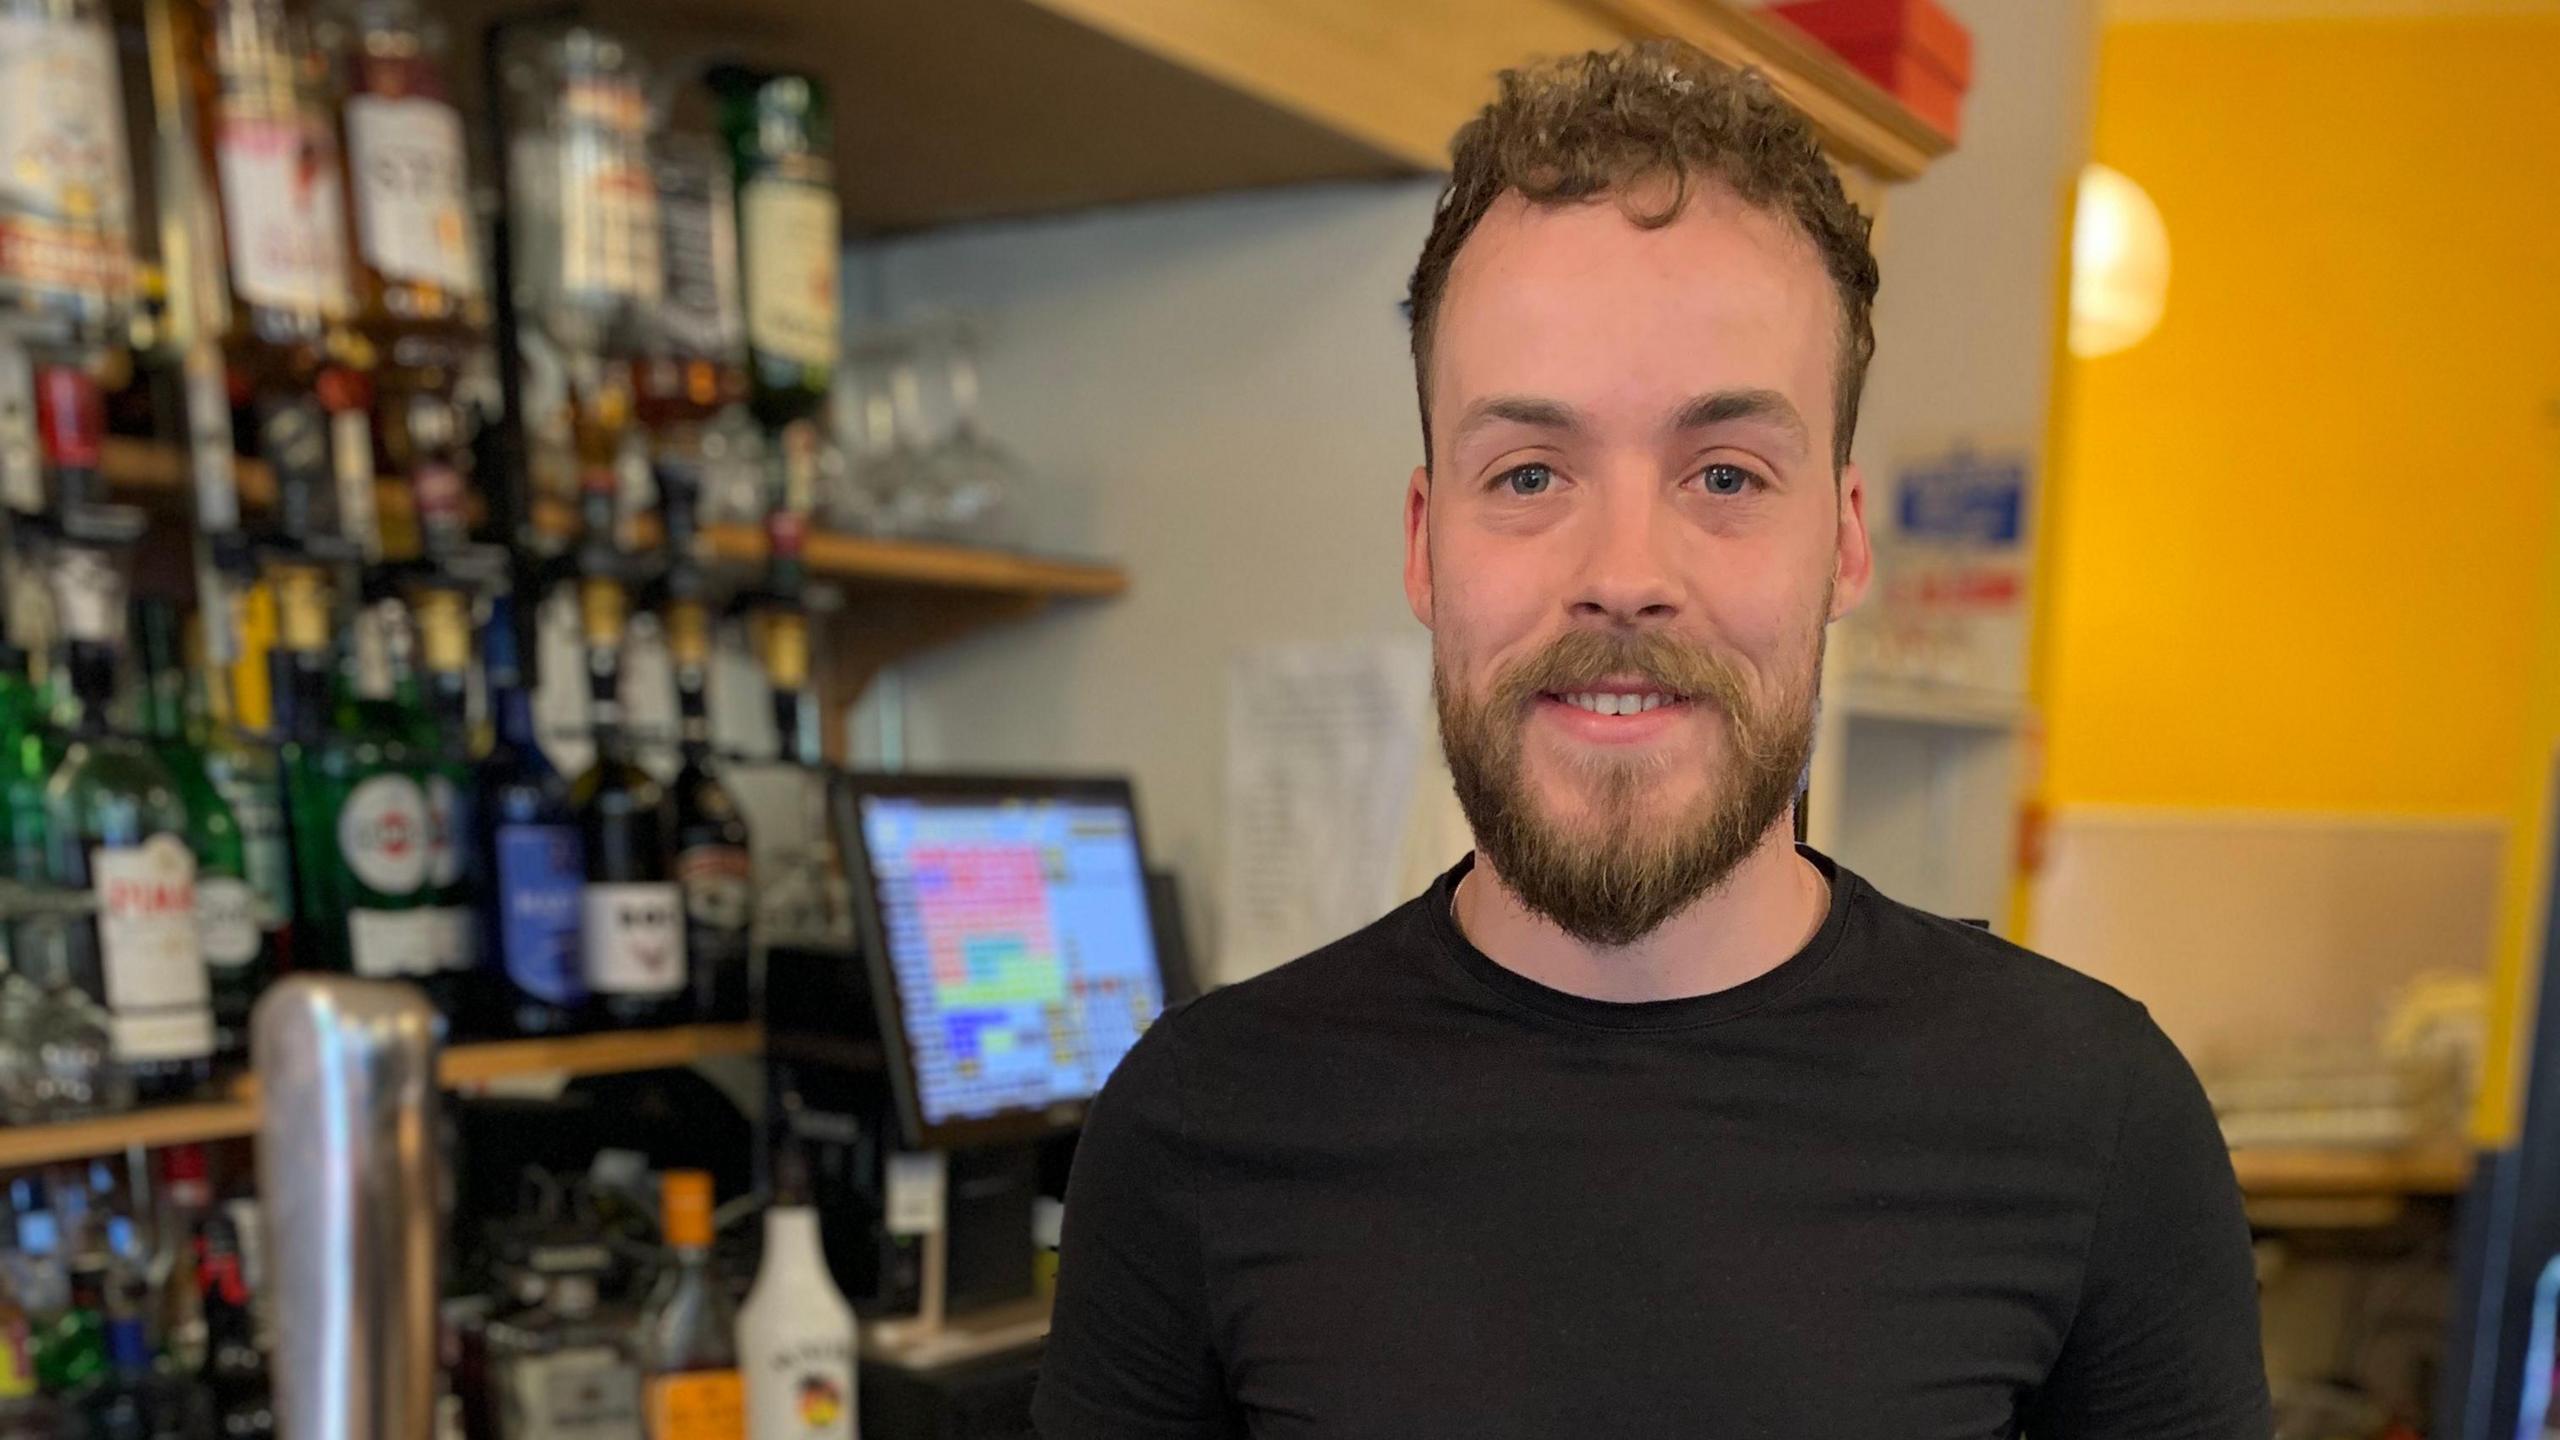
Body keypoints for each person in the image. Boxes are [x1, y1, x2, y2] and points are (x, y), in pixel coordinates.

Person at [1032, 38, 2271, 1440]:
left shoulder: (2098, 1128)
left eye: (1726, 472)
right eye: (1532, 472)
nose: (1624, 569)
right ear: (1429, 546)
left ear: (1844, 542)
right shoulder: (1195, 1126)